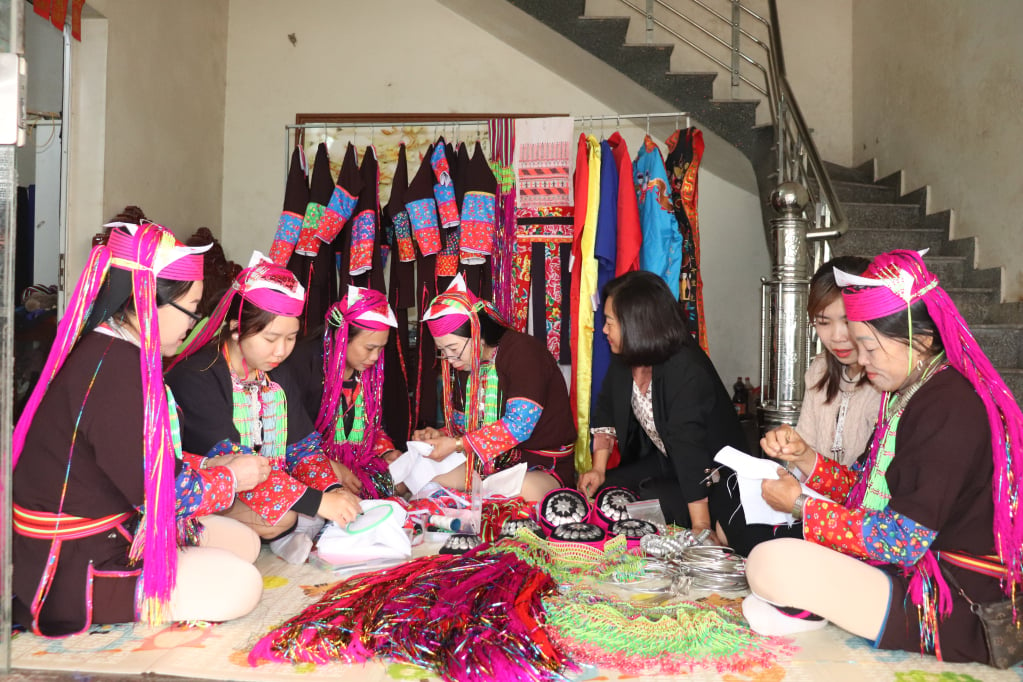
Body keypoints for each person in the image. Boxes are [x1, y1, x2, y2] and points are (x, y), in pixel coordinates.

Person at [746, 250, 1023, 665]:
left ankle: (812, 605)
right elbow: (863, 490)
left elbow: (901, 539)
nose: (860, 359)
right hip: (914, 570)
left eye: (870, 348)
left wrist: (801, 505)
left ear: (923, 340)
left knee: (771, 561)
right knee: (773, 554)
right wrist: (805, 458)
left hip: (954, 603)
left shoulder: (949, 406)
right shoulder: (912, 392)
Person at [12, 221, 264, 636]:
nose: (193, 324)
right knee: (242, 585)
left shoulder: (117, 350)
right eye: (191, 310)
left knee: (244, 544)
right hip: (74, 559)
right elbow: (154, 490)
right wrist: (230, 477)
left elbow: (140, 457)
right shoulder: (115, 369)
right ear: (150, 298)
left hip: (118, 523)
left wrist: (215, 465)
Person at [166, 253, 361, 562]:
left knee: (331, 497)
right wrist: (315, 502)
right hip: (213, 487)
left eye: (291, 338)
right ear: (235, 328)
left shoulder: (275, 371)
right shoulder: (198, 376)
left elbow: (302, 448)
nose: (282, 351)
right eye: (271, 338)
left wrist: (332, 489)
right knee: (283, 518)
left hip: (267, 481)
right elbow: (227, 460)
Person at [580, 270, 748, 547]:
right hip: (669, 461)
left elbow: (689, 447)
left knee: (655, 504)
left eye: (610, 322)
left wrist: (701, 526)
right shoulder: (626, 359)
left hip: (714, 475)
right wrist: (598, 468)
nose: (604, 330)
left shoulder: (686, 369)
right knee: (609, 492)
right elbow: (606, 411)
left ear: (635, 324)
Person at [414, 275, 577, 501]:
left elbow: (519, 425)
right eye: (443, 351)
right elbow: (468, 427)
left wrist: (456, 444)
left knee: (520, 493)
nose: (450, 359)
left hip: (540, 466)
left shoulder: (523, 352)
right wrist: (440, 436)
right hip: (489, 465)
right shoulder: (465, 363)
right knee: (421, 475)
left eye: (453, 348)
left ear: (477, 333)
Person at [314, 285, 402, 499]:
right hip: (323, 470)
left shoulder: (366, 379)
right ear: (343, 337)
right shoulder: (315, 377)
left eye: (381, 349)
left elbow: (373, 427)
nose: (375, 357)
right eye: (370, 348)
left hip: (361, 466)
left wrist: (386, 451)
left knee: (404, 481)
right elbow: (297, 443)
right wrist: (330, 467)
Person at [792, 256, 880, 466]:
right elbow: (804, 449)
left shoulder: (888, 381)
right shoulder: (819, 369)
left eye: (848, 321)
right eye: (823, 322)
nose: (837, 336)